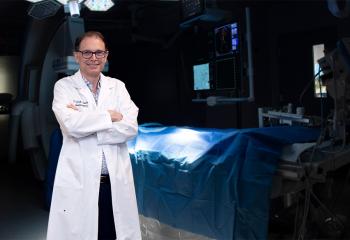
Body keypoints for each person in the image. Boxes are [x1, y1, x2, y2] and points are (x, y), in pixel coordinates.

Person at [47, 31, 141, 240]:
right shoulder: (64, 87)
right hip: (79, 181)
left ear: (106, 56)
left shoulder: (118, 87)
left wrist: (88, 124)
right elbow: (71, 125)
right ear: (77, 56)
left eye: (99, 53)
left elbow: (130, 127)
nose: (93, 58)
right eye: (87, 53)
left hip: (113, 183)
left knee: (112, 234)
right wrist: (109, 116)